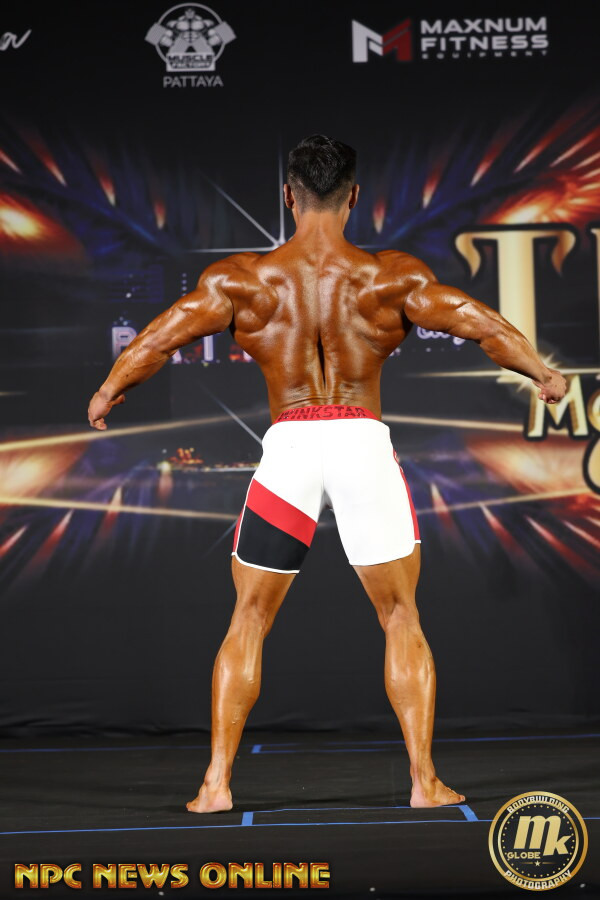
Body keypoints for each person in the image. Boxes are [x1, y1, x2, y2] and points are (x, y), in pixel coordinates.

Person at [88, 135, 567, 812]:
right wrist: (541, 372)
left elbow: (161, 336)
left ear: (288, 195)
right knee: (399, 614)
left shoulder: (243, 281)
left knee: (249, 616)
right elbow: (477, 322)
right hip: (361, 442)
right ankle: (423, 782)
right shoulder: (389, 277)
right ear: (354, 197)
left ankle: (216, 784)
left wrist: (108, 389)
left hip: (288, 446)